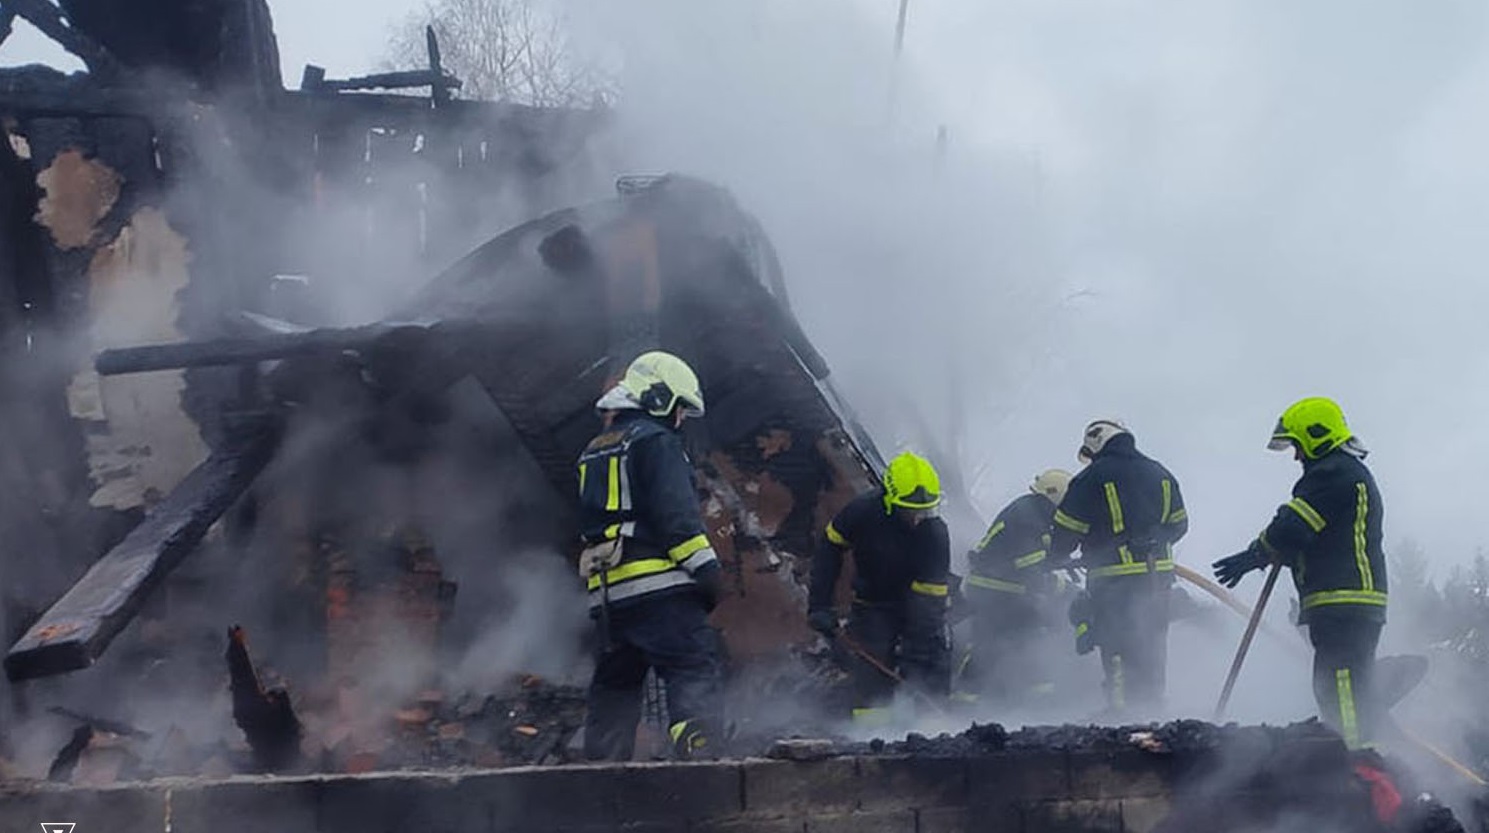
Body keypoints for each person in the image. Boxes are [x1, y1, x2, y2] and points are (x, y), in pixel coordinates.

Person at [1212, 397, 1386, 749]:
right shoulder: (1346, 475)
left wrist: (1254, 554)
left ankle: (1357, 763)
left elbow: (1291, 527)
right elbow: (1319, 536)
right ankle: (1357, 757)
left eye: (1297, 446)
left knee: (1340, 688)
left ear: (1315, 437)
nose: (1296, 456)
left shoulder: (1331, 474)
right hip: (1350, 601)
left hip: (1341, 600)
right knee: (1341, 685)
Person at [575, 351, 724, 760]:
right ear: (659, 399)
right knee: (692, 669)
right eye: (679, 409)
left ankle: (603, 781)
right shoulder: (657, 442)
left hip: (608, 596)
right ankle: (702, 766)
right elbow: (676, 517)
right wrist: (708, 571)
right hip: (661, 590)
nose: (680, 419)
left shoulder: (595, 448)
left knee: (616, 686)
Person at [1049, 420, 1188, 716]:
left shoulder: (1091, 477)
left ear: (1096, 443)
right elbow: (1179, 524)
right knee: (1152, 646)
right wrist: (1155, 538)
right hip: (1158, 579)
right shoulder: (1161, 473)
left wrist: (1053, 557)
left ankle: (1123, 717)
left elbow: (1066, 531)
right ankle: (1152, 710)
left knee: (1116, 646)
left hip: (1113, 581)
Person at [807, 451, 952, 725]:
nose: (919, 516)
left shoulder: (935, 533)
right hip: (872, 605)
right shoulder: (862, 512)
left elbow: (930, 605)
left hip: (917, 607)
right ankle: (870, 742)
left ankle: (934, 732)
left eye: (926, 508)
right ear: (889, 499)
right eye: (910, 509)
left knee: (930, 670)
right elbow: (829, 549)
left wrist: (916, 659)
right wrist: (819, 605)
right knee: (871, 684)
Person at [955, 469, 1073, 707]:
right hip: (995, 591)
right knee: (990, 646)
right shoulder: (1030, 519)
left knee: (1027, 639)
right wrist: (1064, 588)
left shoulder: (1031, 511)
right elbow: (1031, 571)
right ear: (1057, 496)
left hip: (1004, 590)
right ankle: (964, 704)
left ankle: (1037, 703)